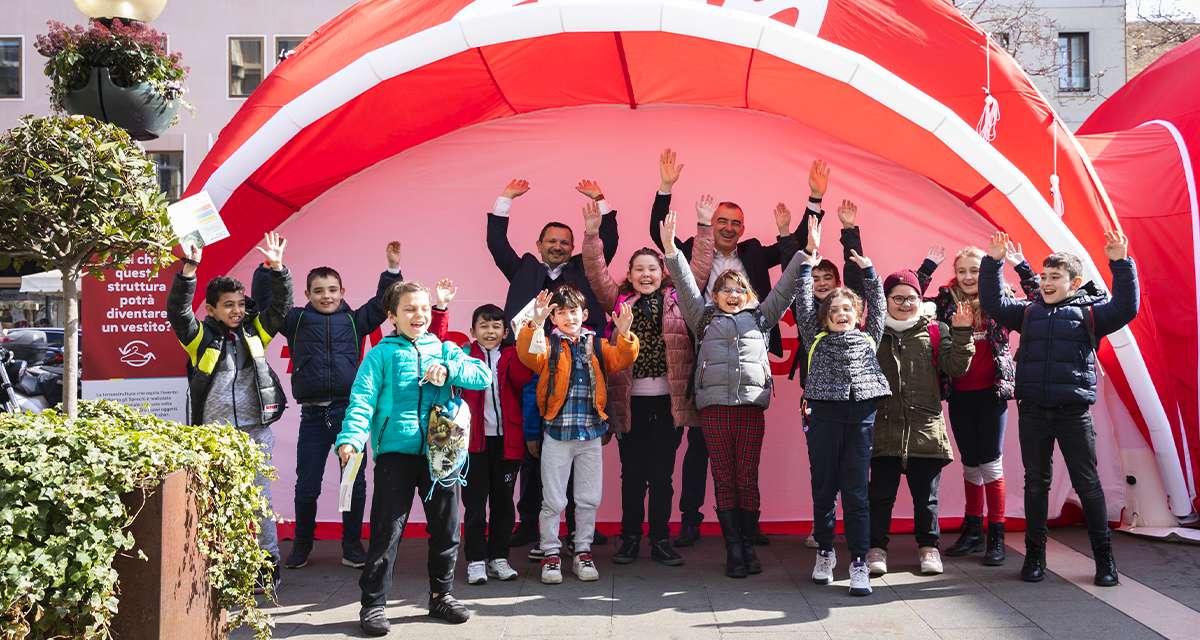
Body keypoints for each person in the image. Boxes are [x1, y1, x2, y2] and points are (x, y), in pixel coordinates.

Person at [650, 149, 826, 548]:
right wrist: (666, 188)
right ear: (711, 225)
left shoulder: (751, 253)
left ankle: (749, 523)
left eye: (735, 223)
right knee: (698, 447)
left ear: (743, 227)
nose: (728, 228)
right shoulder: (696, 246)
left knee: (746, 454)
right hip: (700, 352)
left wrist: (814, 200)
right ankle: (691, 520)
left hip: (748, 353)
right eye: (721, 222)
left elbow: (796, 249)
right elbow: (663, 245)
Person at [979, 230, 1138, 588]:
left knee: (1088, 484)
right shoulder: (1029, 312)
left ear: (1075, 282)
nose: (1047, 283)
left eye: (1055, 278)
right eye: (1045, 277)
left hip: (1073, 412)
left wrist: (1120, 263)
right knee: (1036, 484)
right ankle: (1035, 557)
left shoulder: (1090, 314)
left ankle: (1105, 560)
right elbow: (993, 304)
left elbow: (1127, 307)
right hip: (1034, 410)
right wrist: (992, 263)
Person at [335, 281, 492, 634]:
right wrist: (351, 439)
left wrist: (450, 371)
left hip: (442, 452)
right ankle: (373, 604)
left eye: (423, 308)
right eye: (409, 309)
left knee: (447, 529)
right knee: (387, 531)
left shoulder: (446, 348)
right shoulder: (380, 355)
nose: (418, 315)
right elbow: (362, 402)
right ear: (392, 316)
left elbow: (482, 375)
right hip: (396, 454)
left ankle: (441, 596)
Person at [665, 210, 808, 579]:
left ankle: (747, 543)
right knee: (723, 477)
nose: (731, 294)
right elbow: (682, 282)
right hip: (713, 411)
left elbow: (787, 286)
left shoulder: (762, 317)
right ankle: (732, 549)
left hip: (749, 409)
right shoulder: (703, 318)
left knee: (747, 477)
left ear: (747, 294)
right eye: (725, 289)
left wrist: (807, 255)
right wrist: (670, 250)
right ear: (714, 294)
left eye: (738, 290)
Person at [248, 240, 403, 571]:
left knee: (353, 483)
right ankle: (303, 543)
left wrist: (392, 269)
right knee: (307, 485)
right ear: (307, 294)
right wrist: (271, 270)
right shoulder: (296, 321)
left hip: (349, 416)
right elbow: (267, 304)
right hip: (314, 416)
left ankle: (351, 544)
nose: (326, 296)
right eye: (318, 290)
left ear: (343, 290)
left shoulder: (355, 321)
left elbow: (381, 304)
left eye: (333, 289)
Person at [487, 179, 619, 550]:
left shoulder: (584, 270)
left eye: (564, 242)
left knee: (579, 448)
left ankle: (580, 528)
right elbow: (498, 246)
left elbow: (608, 244)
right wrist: (505, 199)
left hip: (578, 370)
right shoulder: (524, 268)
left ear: (573, 247)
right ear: (540, 245)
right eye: (552, 241)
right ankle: (529, 523)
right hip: (530, 367)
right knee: (532, 449)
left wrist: (600, 200)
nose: (558, 246)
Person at [582, 196, 714, 566]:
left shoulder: (680, 299)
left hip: (669, 403)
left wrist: (704, 226)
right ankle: (629, 539)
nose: (646, 275)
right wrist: (592, 235)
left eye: (652, 269)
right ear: (630, 273)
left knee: (662, 476)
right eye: (639, 269)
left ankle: (660, 539)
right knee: (632, 475)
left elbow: (699, 270)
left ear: (662, 272)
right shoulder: (619, 301)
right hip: (630, 403)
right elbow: (595, 272)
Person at [166, 232, 293, 593]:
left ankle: (267, 565)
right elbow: (177, 311)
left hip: (256, 433)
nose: (236, 310)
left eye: (240, 303)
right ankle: (220, 566)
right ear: (211, 310)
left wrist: (278, 269)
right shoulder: (199, 338)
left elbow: (280, 308)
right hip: (214, 436)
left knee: (259, 502)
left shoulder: (256, 333)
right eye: (228, 305)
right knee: (215, 503)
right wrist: (189, 269)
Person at [915, 242, 1039, 566]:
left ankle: (995, 532)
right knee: (970, 463)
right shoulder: (944, 302)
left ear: (985, 272)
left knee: (991, 463)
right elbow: (909, 300)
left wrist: (1022, 265)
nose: (969, 276)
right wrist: (927, 268)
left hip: (992, 393)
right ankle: (973, 530)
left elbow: (1042, 302)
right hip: (958, 392)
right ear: (954, 273)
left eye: (975, 270)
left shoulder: (1001, 301)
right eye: (962, 271)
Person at [517, 284, 639, 584]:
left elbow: (621, 359)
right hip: (557, 434)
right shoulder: (547, 345)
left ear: (584, 314)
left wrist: (623, 334)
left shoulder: (596, 344)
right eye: (560, 312)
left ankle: (583, 551)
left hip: (591, 433)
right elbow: (527, 356)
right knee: (554, 500)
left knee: (588, 497)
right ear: (553, 318)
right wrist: (535, 323)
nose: (568, 317)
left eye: (573, 311)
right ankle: (550, 554)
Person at [793, 222, 889, 596]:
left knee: (856, 491)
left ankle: (860, 562)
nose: (842, 313)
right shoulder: (813, 335)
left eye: (848, 308)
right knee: (823, 488)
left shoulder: (869, 335)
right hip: (823, 414)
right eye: (835, 308)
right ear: (826, 315)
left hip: (861, 415)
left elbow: (878, 305)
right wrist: (807, 260)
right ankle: (825, 553)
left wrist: (869, 272)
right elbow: (803, 299)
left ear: (857, 312)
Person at [866, 269, 975, 578]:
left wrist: (964, 333)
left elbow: (956, 367)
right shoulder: (872, 332)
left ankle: (929, 549)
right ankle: (876, 549)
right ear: (885, 301)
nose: (904, 304)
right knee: (880, 496)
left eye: (911, 298)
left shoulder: (936, 330)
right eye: (897, 298)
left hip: (924, 428)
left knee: (926, 499)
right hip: (883, 428)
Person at [460, 303, 531, 585]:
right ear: (473, 331)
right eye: (484, 326)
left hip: (507, 443)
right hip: (473, 445)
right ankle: (476, 561)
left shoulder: (512, 356)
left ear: (504, 332)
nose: (490, 331)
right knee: (475, 505)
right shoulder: (465, 356)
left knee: (503, 504)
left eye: (496, 326)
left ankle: (499, 557)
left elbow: (523, 379)